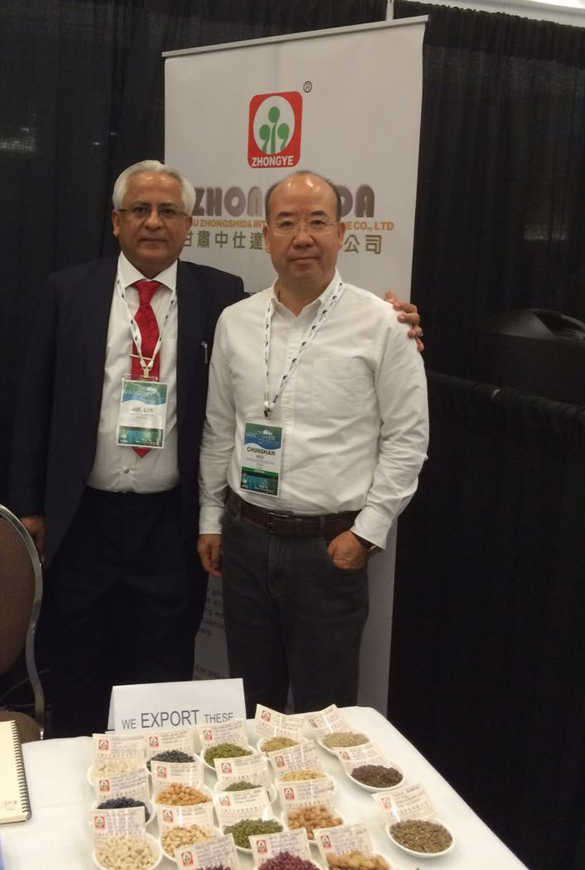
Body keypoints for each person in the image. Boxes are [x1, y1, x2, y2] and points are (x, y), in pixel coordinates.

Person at [11, 160, 422, 736]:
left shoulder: (221, 296)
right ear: (116, 221)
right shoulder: (70, 291)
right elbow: (34, 402)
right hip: (85, 517)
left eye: (169, 211)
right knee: (78, 663)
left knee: (168, 669)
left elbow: (310, 323)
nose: (154, 222)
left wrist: (398, 320)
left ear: (190, 224)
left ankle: (162, 771)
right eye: (139, 210)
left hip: (170, 523)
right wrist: (30, 505)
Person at [197, 170, 429, 716]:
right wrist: (211, 519)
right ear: (266, 236)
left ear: (341, 233)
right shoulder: (235, 321)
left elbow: (407, 438)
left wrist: (366, 534)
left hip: (328, 550)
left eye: (317, 222)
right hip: (246, 540)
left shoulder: (383, 325)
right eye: (287, 223)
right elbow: (219, 427)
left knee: (325, 714)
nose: (302, 236)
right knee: (252, 707)